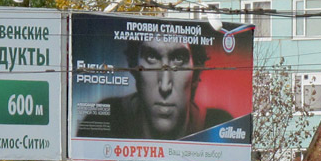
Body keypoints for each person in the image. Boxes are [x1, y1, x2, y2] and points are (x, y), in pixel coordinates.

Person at [76, 37, 232, 140]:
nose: (165, 86)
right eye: (152, 58)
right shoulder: (105, 119)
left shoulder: (220, 126)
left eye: (178, 59)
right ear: (133, 67)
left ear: (196, 71)